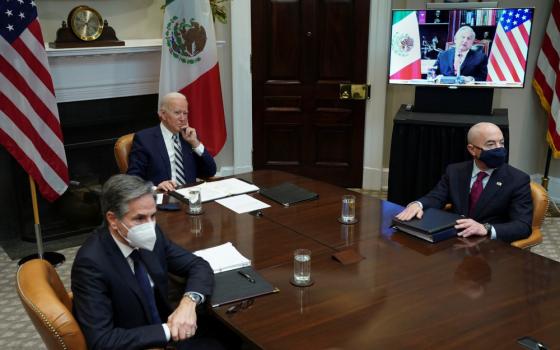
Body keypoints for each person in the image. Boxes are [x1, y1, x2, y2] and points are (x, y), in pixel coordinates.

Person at [71, 174, 219, 350]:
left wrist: (189, 303)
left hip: (171, 324)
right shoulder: (90, 263)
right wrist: (169, 329)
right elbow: (102, 340)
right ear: (113, 219)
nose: (149, 226)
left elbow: (198, 265)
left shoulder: (150, 234)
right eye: (139, 218)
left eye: (153, 216)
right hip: (141, 343)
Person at [395, 122, 532, 243]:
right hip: (454, 240)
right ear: (472, 149)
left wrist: (486, 228)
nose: (499, 149)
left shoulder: (517, 179)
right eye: (491, 144)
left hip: (489, 245)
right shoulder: (455, 171)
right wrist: (418, 204)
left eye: (501, 143)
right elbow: (437, 196)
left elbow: (523, 226)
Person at [127, 92, 217, 192]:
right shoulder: (144, 139)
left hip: (190, 196)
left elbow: (210, 172)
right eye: (177, 113)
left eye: (185, 113)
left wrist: (196, 144)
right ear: (163, 114)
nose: (182, 118)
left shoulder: (189, 137)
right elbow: (132, 179)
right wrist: (155, 187)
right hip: (164, 197)